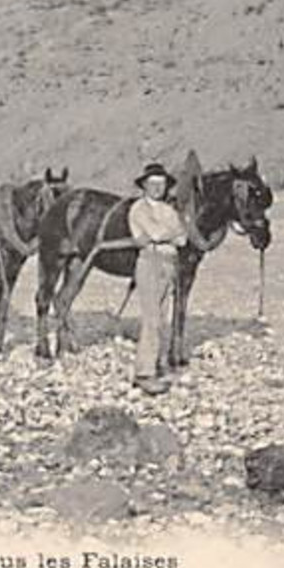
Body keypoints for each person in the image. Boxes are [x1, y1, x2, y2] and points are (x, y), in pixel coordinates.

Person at [128, 163, 189, 394]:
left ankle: (158, 364)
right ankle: (144, 372)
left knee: (163, 318)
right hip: (149, 264)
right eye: (152, 184)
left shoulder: (168, 211)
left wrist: (164, 234)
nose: (157, 188)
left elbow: (182, 239)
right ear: (144, 185)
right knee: (151, 319)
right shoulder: (138, 209)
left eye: (161, 184)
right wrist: (168, 233)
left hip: (168, 265)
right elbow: (155, 234)